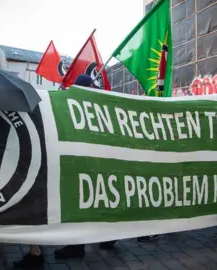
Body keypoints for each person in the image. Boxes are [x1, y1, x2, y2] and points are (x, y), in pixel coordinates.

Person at [53, 74, 159, 259]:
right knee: (98, 200)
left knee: (87, 201)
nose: (94, 88)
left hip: (93, 162)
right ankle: (106, 237)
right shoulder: (89, 105)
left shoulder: (91, 105)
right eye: (91, 85)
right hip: (93, 161)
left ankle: (82, 244)